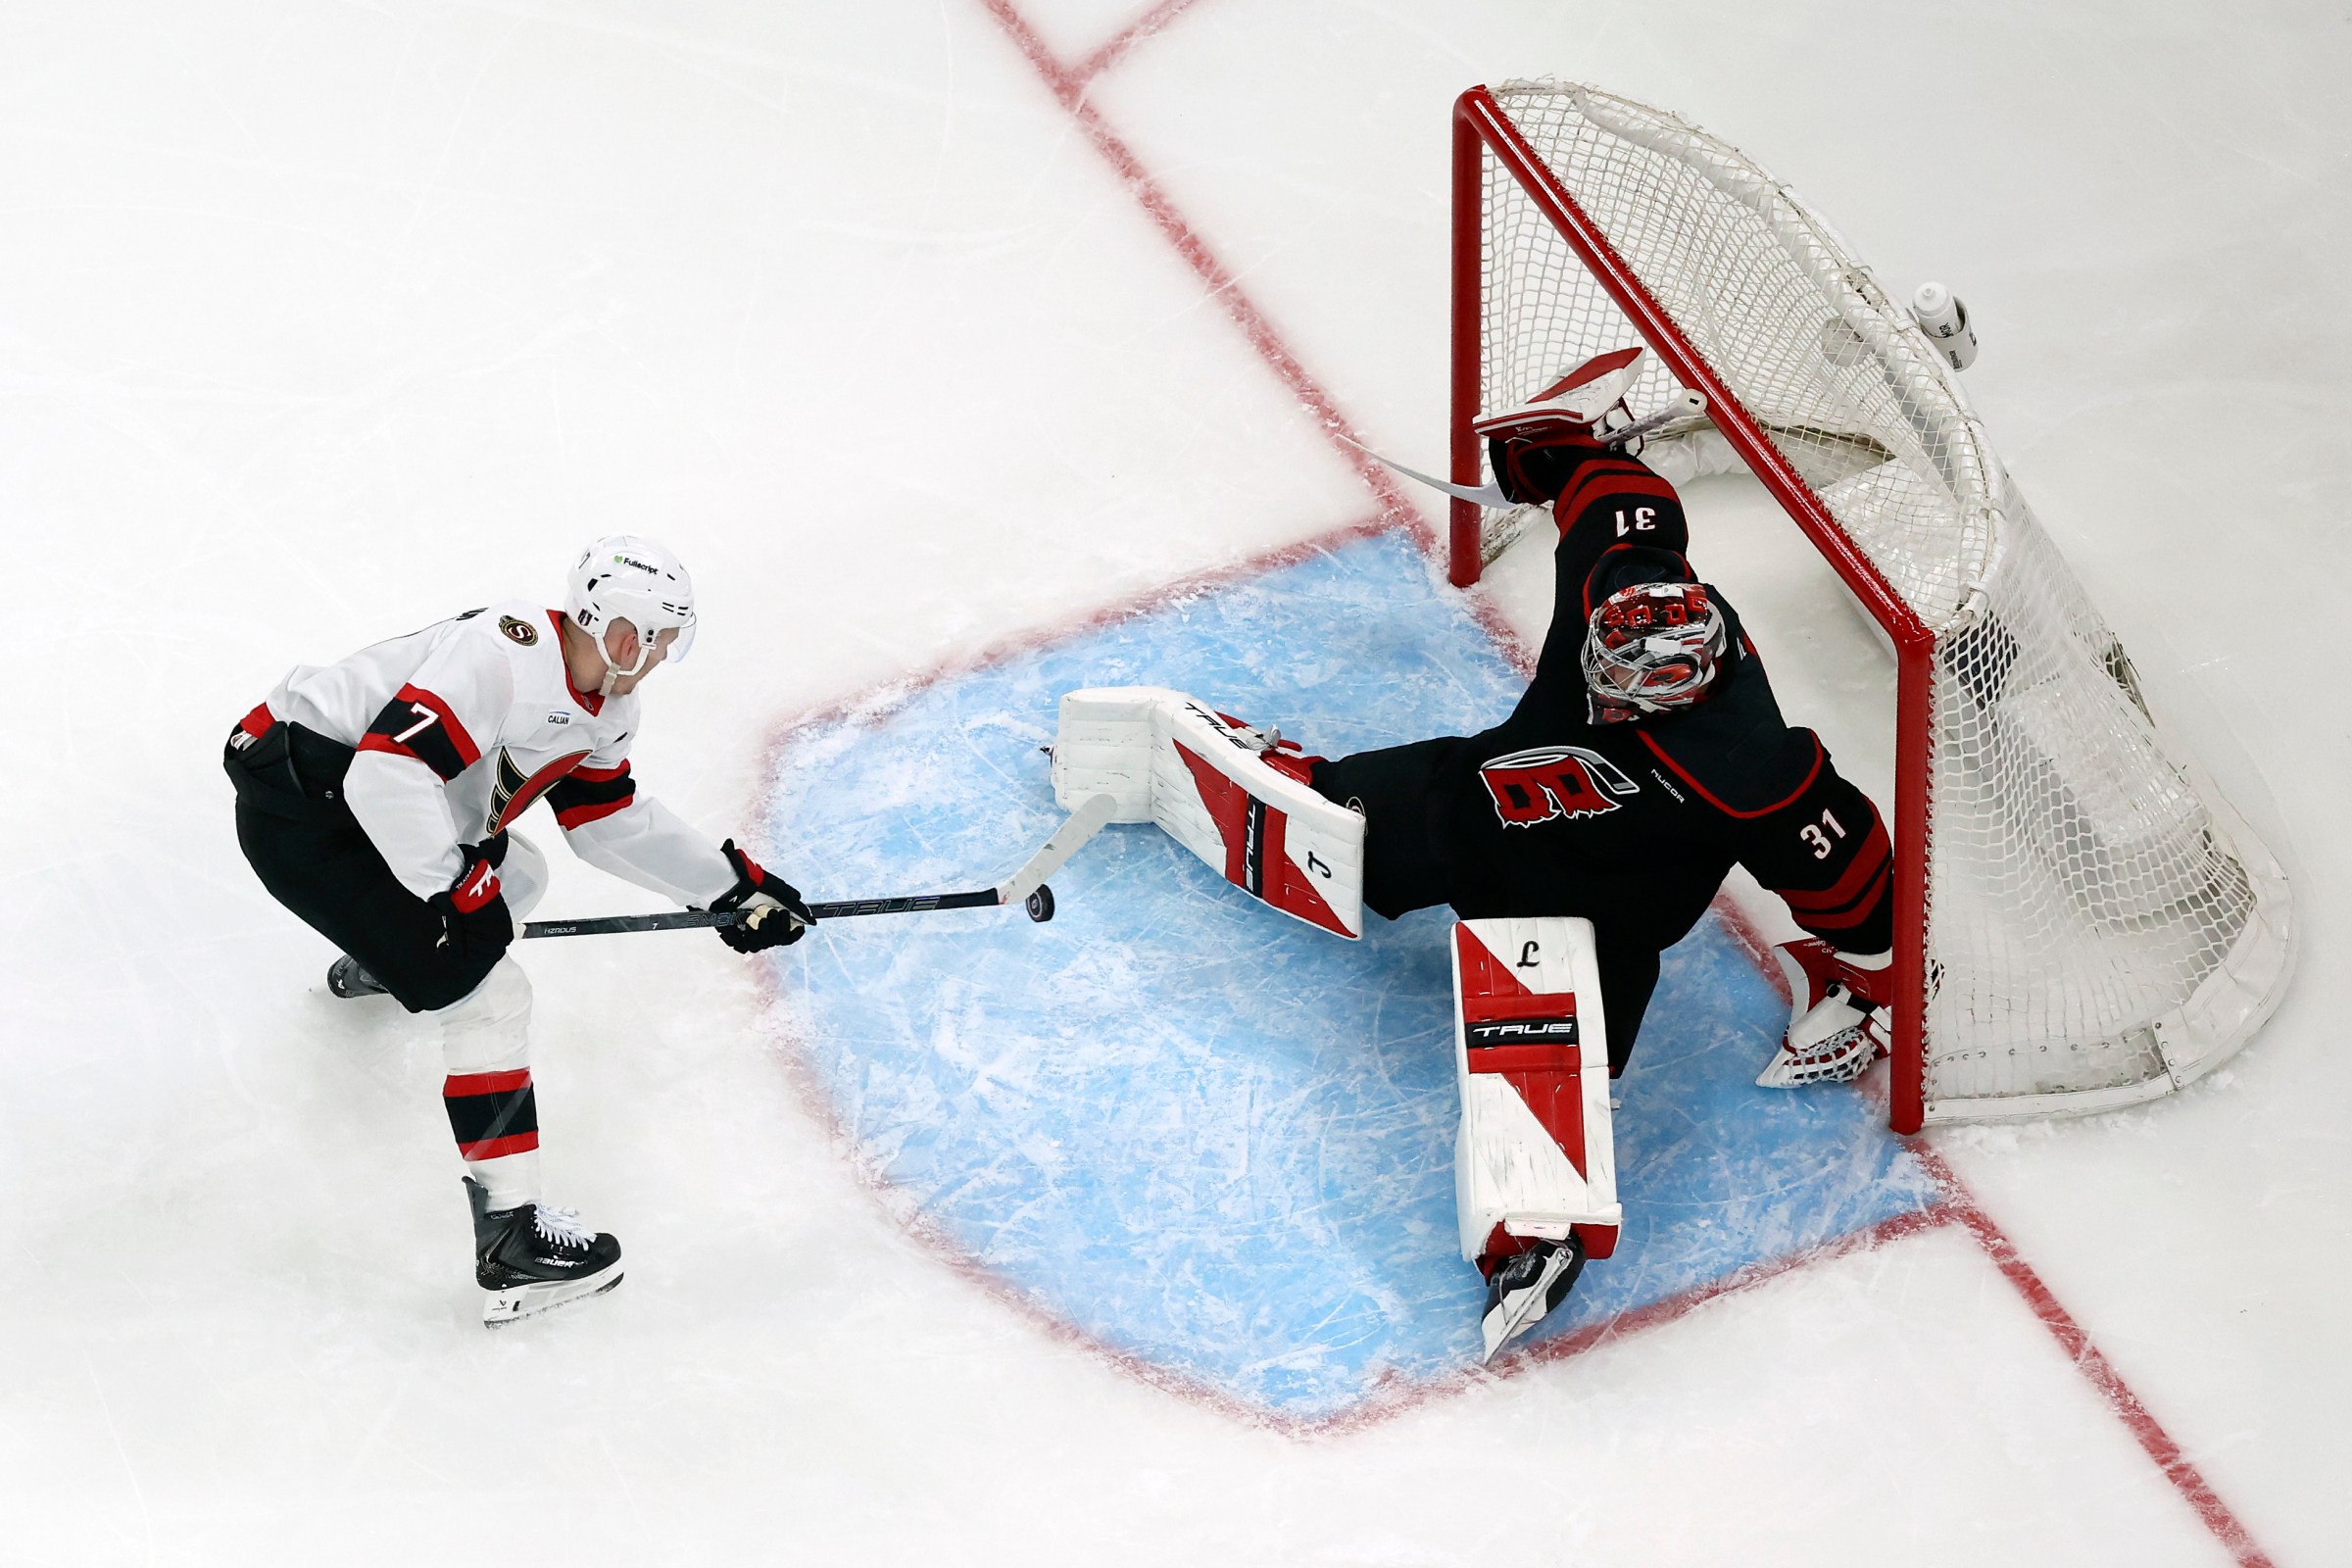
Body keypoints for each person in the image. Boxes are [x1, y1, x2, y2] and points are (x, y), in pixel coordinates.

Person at [1298, 355, 1901, 1346]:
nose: (1602, 692)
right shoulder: (1626, 588)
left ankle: (1534, 1231)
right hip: (1469, 807)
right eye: (1600, 671)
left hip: (1595, 925)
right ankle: (1288, 785)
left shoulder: (1757, 768)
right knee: (1320, 812)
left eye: (1624, 694)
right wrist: (1564, 453)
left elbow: (1854, 883)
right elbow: (1621, 503)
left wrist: (1868, 977)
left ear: (1679, 693)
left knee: (1543, 1087)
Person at [223, 536, 813, 1325]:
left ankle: (391, 958)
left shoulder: (608, 705)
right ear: (621, 632)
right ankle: (511, 1245)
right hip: (305, 810)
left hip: (352, 806)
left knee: (520, 879)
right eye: (661, 637)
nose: (667, 654)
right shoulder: (503, 656)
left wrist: (729, 888)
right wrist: (452, 889)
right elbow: (386, 773)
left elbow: (605, 822)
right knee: (489, 999)